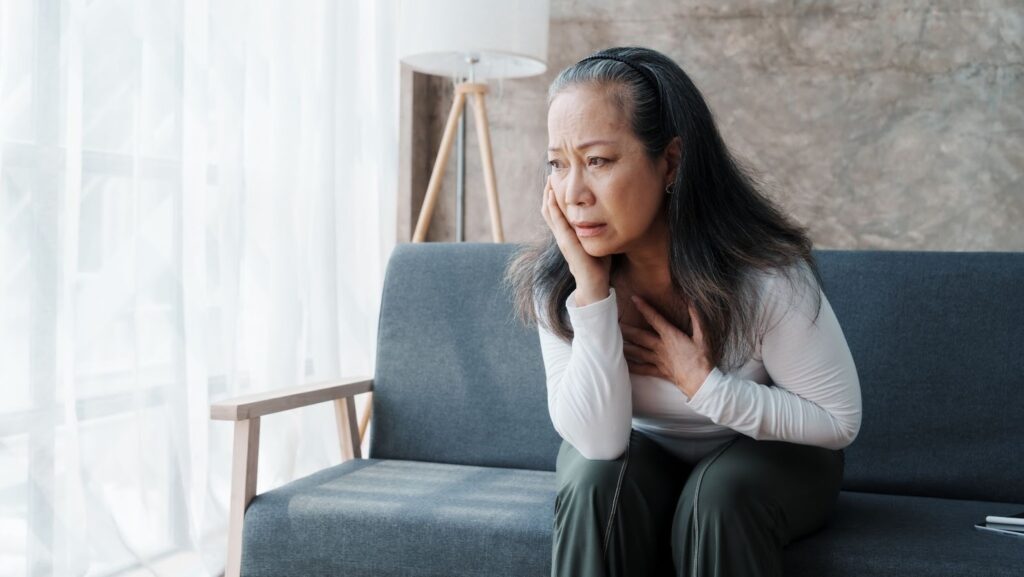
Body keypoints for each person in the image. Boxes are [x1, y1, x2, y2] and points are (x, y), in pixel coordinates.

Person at [504, 46, 863, 577]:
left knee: (718, 496)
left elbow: (839, 421)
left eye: (597, 161)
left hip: (772, 456)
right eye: (558, 164)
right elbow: (600, 444)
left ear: (669, 161)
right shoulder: (558, 282)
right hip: (645, 455)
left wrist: (707, 387)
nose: (573, 192)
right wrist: (592, 294)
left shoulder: (764, 274)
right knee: (592, 480)